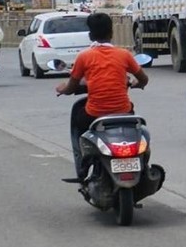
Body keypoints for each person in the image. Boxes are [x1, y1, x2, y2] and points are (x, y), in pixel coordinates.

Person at [55, 12, 149, 182]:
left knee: (78, 124)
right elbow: (143, 79)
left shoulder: (84, 57)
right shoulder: (124, 55)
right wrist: (136, 83)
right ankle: (144, 164)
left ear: (90, 35)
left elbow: (72, 86)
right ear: (111, 33)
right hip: (124, 112)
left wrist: (63, 89)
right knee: (140, 130)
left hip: (95, 113)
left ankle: (83, 165)